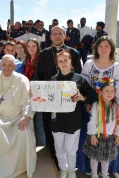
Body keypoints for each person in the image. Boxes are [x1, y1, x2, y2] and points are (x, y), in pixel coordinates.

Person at [0, 54, 36, 178]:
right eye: (4, 65)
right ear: (0, 65)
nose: (7, 68)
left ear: (15, 66)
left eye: (10, 65)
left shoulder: (22, 80)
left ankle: (19, 167)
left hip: (17, 118)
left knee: (24, 131)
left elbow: (28, 102)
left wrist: (26, 117)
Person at [79, 36, 119, 174]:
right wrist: (87, 102)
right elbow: (84, 85)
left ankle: (106, 170)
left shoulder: (117, 67)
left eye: (107, 46)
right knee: (91, 133)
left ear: (112, 48)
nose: (103, 49)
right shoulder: (89, 64)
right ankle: (90, 168)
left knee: (108, 134)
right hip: (92, 104)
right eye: (100, 46)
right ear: (96, 48)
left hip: (110, 105)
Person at [33, 26, 82, 165]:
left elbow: (78, 76)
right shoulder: (44, 54)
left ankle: (69, 164)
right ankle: (54, 161)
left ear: (65, 36)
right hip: (50, 101)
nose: (57, 36)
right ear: (50, 36)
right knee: (50, 131)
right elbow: (38, 77)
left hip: (68, 101)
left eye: (60, 33)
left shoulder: (73, 53)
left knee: (68, 132)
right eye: (54, 33)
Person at [51, 50, 92, 178]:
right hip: (57, 121)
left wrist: (83, 98)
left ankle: (71, 171)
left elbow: (91, 95)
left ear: (71, 62)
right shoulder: (53, 80)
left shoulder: (79, 79)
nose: (63, 63)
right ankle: (63, 169)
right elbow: (46, 98)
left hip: (73, 121)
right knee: (59, 148)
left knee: (71, 149)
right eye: (60, 61)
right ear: (57, 64)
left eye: (65, 60)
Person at [82, 77, 119, 178]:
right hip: (97, 136)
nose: (109, 93)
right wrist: (92, 135)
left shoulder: (116, 107)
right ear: (100, 92)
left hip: (109, 137)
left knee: (106, 159)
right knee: (95, 157)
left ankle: (105, 175)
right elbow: (92, 121)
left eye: (112, 91)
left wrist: (118, 135)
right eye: (107, 91)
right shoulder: (96, 105)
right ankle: (94, 174)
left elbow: (118, 122)